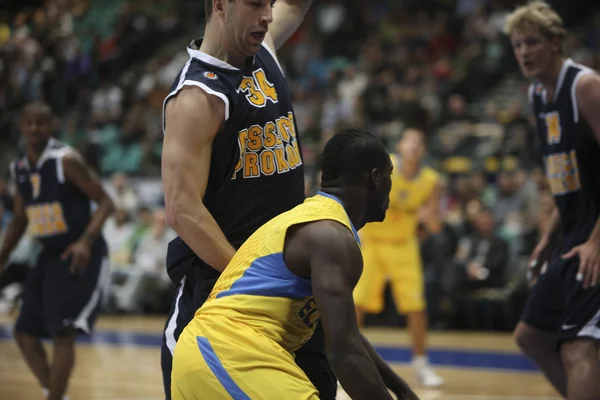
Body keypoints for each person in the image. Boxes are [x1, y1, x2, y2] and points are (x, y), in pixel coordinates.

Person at [159, 1, 337, 399]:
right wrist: (253, 277)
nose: (268, 15)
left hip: (291, 289)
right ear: (220, 5)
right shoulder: (197, 97)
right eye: (256, 3)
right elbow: (182, 210)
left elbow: (293, 4)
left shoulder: (263, 51)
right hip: (227, 298)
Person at [171, 128, 419, 400]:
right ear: (375, 178)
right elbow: (344, 353)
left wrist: (400, 387)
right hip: (230, 353)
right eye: (390, 174)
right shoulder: (332, 237)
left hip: (208, 355)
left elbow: (347, 334)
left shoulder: (314, 219)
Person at [506, 2, 600, 399]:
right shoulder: (537, 96)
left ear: (555, 42)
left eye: (532, 42)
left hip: (594, 237)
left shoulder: (585, 87)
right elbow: (570, 181)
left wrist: (597, 241)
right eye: (517, 45)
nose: (524, 52)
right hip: (573, 233)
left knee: (579, 345)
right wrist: (549, 236)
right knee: (532, 336)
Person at [0, 101, 114, 400]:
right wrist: (2, 256)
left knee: (63, 334)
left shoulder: (66, 160)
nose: (35, 128)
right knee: (23, 332)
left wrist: (86, 241)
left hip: (79, 252)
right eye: (29, 122)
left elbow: (106, 203)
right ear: (22, 127)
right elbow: (20, 220)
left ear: (53, 126)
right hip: (48, 255)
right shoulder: (19, 168)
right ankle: (56, 394)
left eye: (42, 122)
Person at [353, 127, 444, 387]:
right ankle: (349, 362)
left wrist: (430, 218)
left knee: (416, 308)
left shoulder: (432, 181)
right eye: (409, 141)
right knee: (356, 305)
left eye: (419, 142)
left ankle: (421, 364)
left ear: (423, 150)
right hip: (373, 242)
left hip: (404, 246)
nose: (414, 146)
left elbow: (436, 226)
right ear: (401, 145)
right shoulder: (383, 166)